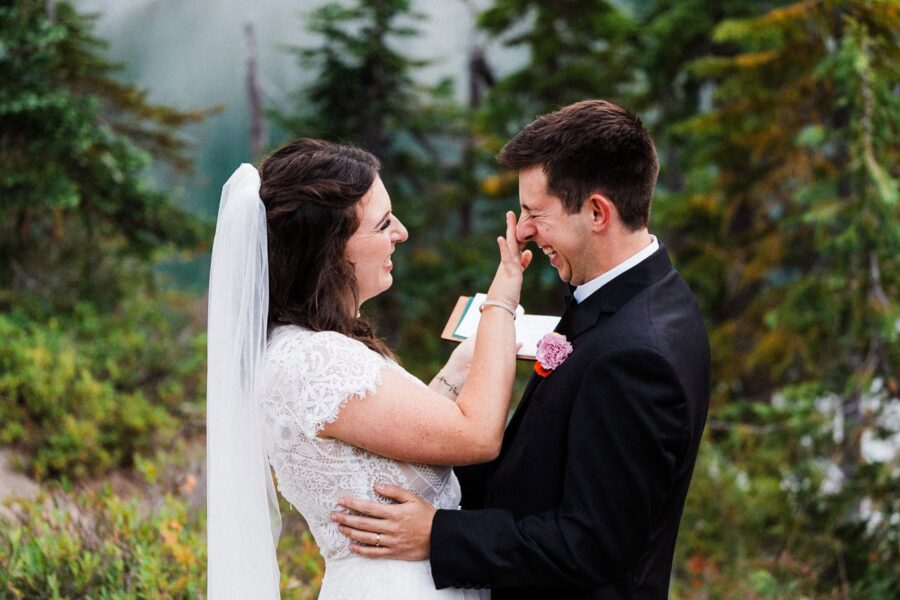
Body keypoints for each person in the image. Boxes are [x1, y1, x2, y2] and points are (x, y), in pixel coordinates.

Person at [332, 100, 711, 599]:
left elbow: (592, 544)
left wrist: (439, 534)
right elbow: (542, 465)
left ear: (598, 212)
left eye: (534, 213)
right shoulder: (630, 296)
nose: (522, 230)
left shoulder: (637, 355)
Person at [205, 138, 533, 599]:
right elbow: (477, 435)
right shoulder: (315, 361)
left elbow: (398, 450)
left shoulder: (308, 350)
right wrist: (501, 298)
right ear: (331, 249)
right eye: (383, 224)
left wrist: (458, 369)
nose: (401, 232)